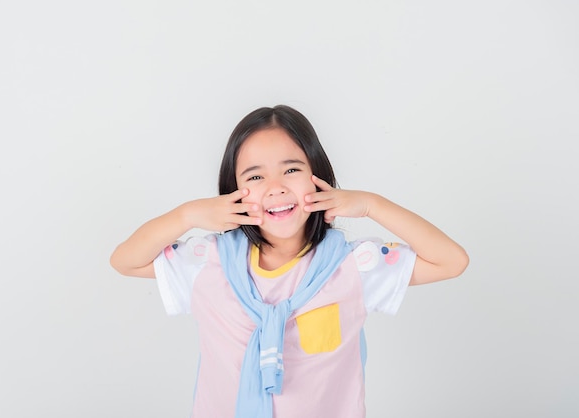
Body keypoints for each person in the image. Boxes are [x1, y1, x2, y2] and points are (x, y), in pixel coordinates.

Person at [110, 105, 469, 418]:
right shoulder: (209, 261)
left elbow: (451, 261)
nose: (276, 187)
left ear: (319, 178)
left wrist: (372, 204)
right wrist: (187, 215)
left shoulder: (353, 266)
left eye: (292, 170)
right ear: (232, 191)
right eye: (255, 176)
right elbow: (125, 260)